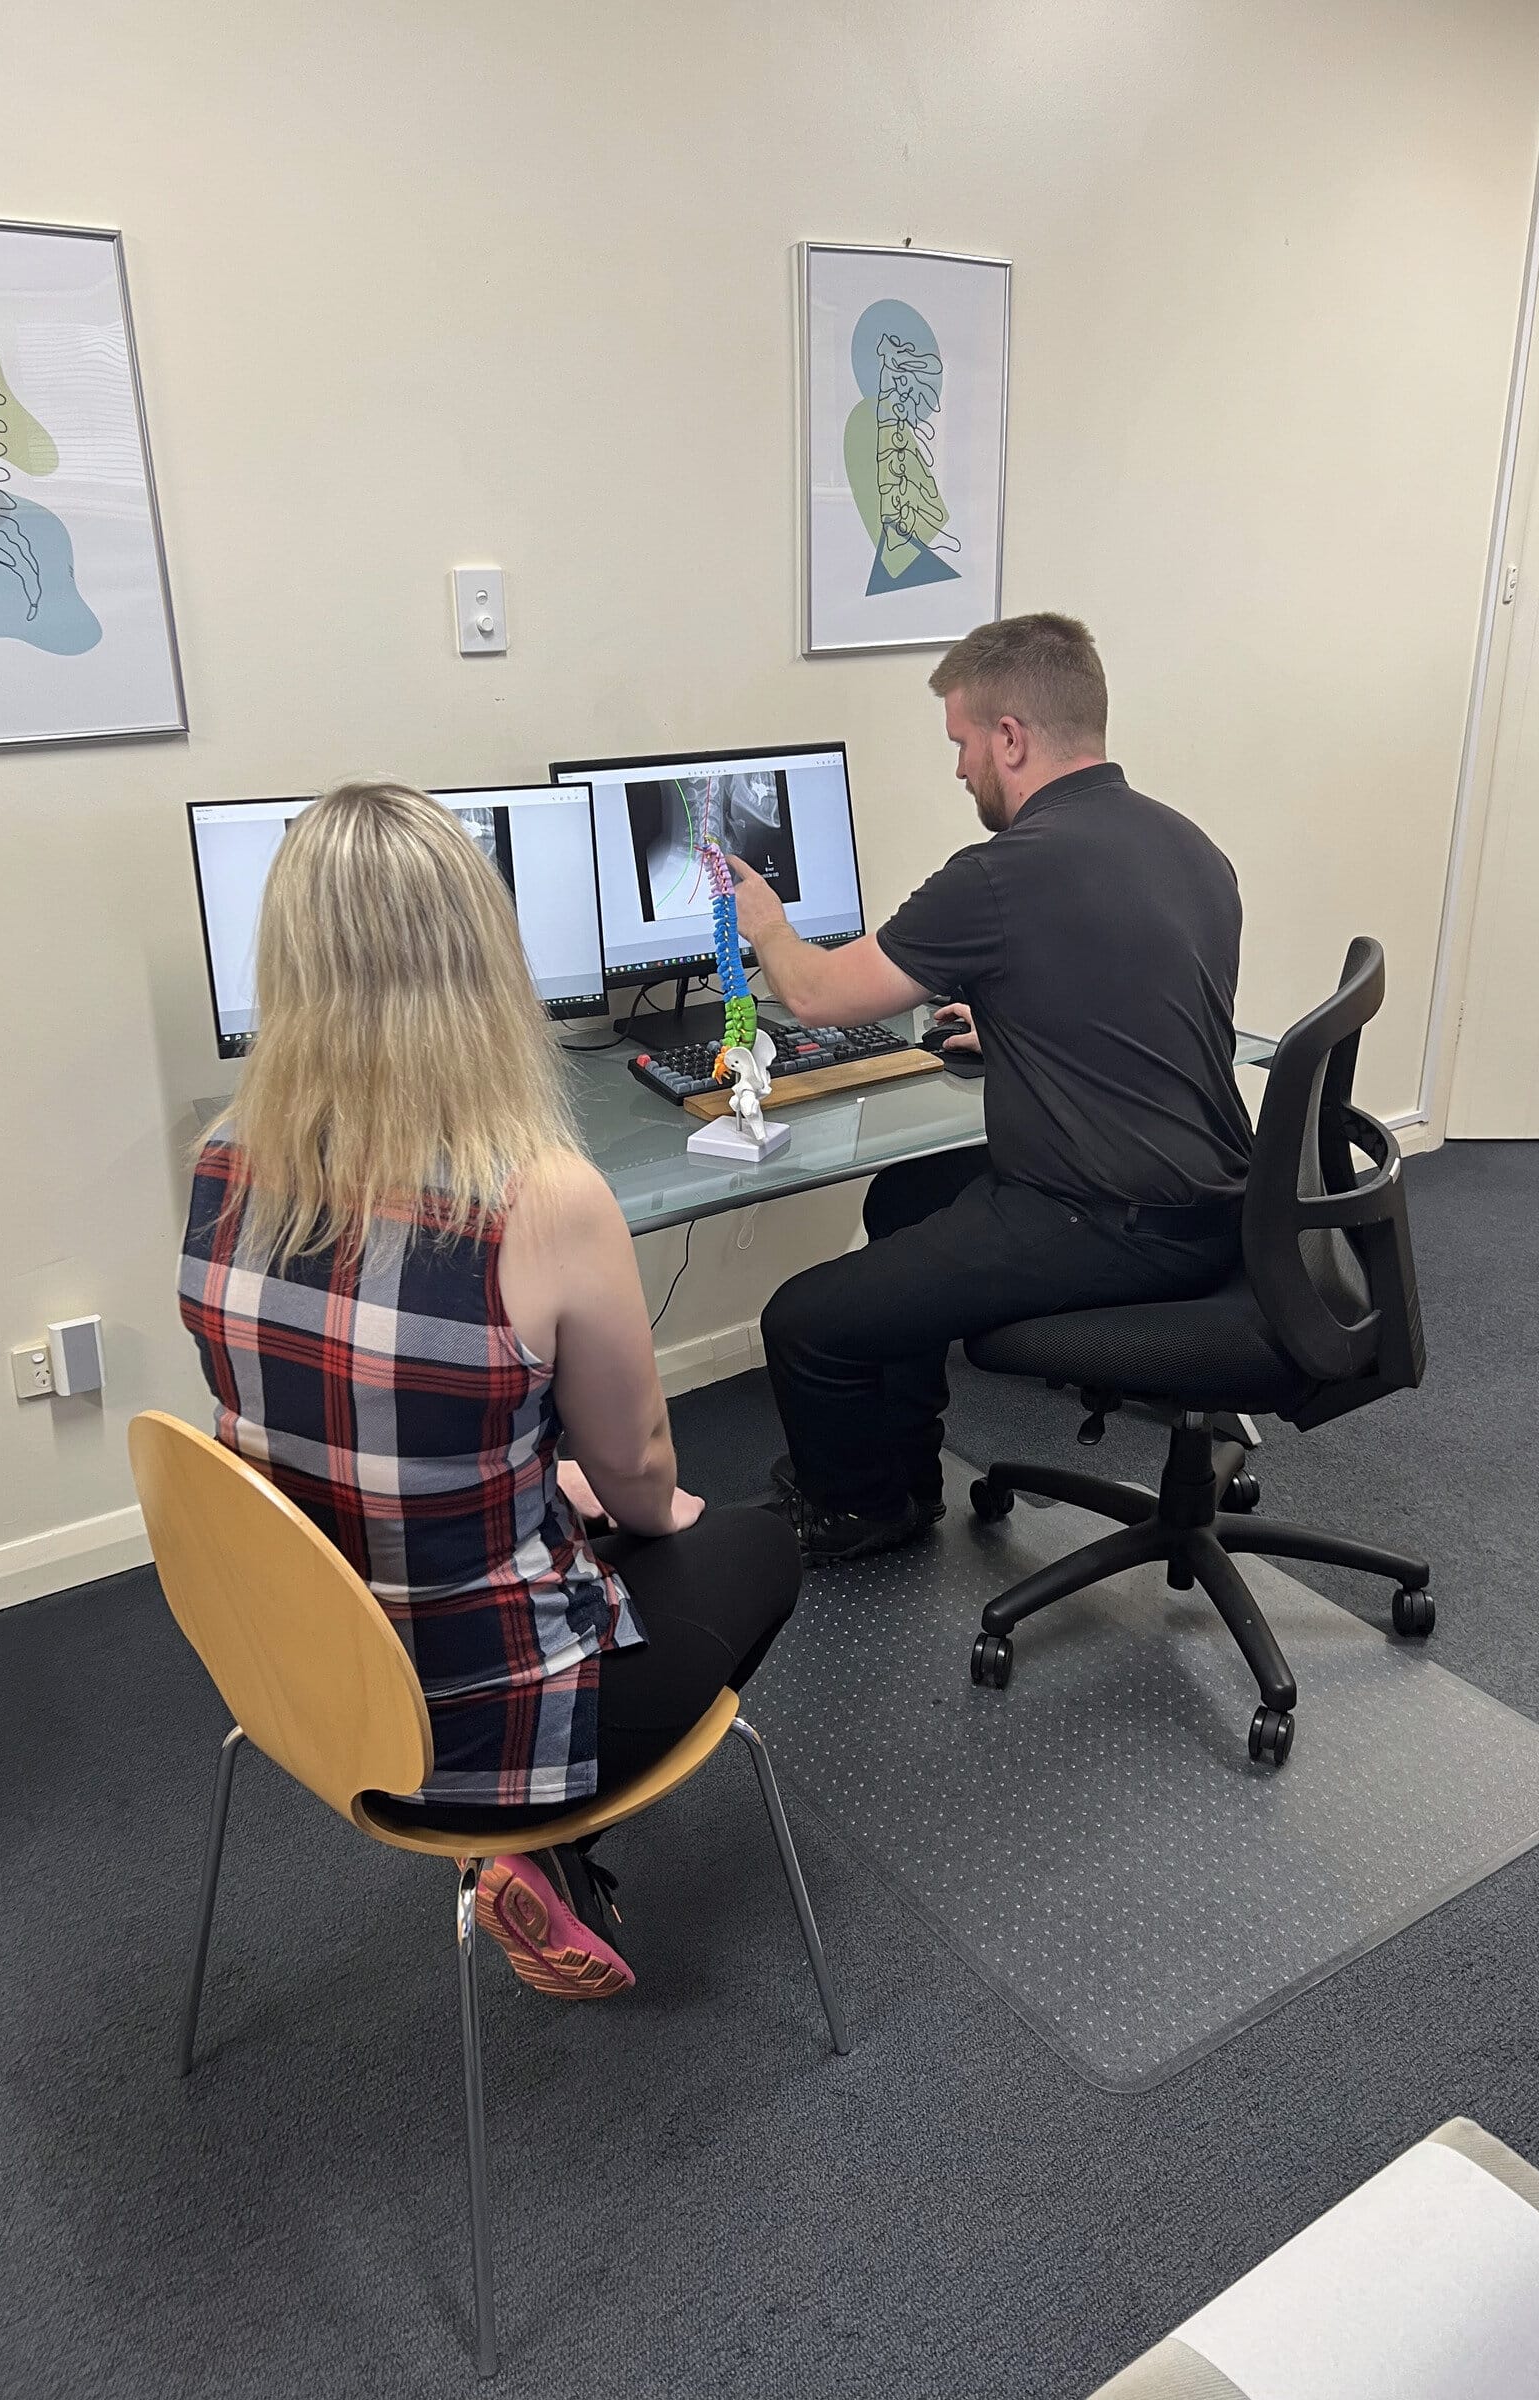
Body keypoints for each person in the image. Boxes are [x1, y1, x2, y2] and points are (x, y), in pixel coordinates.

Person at [179, 782, 800, 1996]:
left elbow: (328, 1422)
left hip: (302, 1674)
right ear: (482, 956)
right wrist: (641, 1508)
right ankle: (536, 1840)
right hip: (473, 1722)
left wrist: (529, 1476)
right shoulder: (541, 1198)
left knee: (573, 1495)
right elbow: (645, 1473)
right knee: (760, 1543)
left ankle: (538, 1862)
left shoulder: (219, 1159)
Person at [729, 613, 1254, 1563]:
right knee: (902, 1200)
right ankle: (906, 1470)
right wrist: (1012, 1016)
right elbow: (1139, 998)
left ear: (1010, 737)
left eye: (963, 745)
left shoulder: (1005, 874)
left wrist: (762, 921)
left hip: (1100, 1220)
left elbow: (811, 995)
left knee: (804, 1321)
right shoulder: (1189, 846)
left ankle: (859, 1510)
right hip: (1213, 1202)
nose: (960, 770)